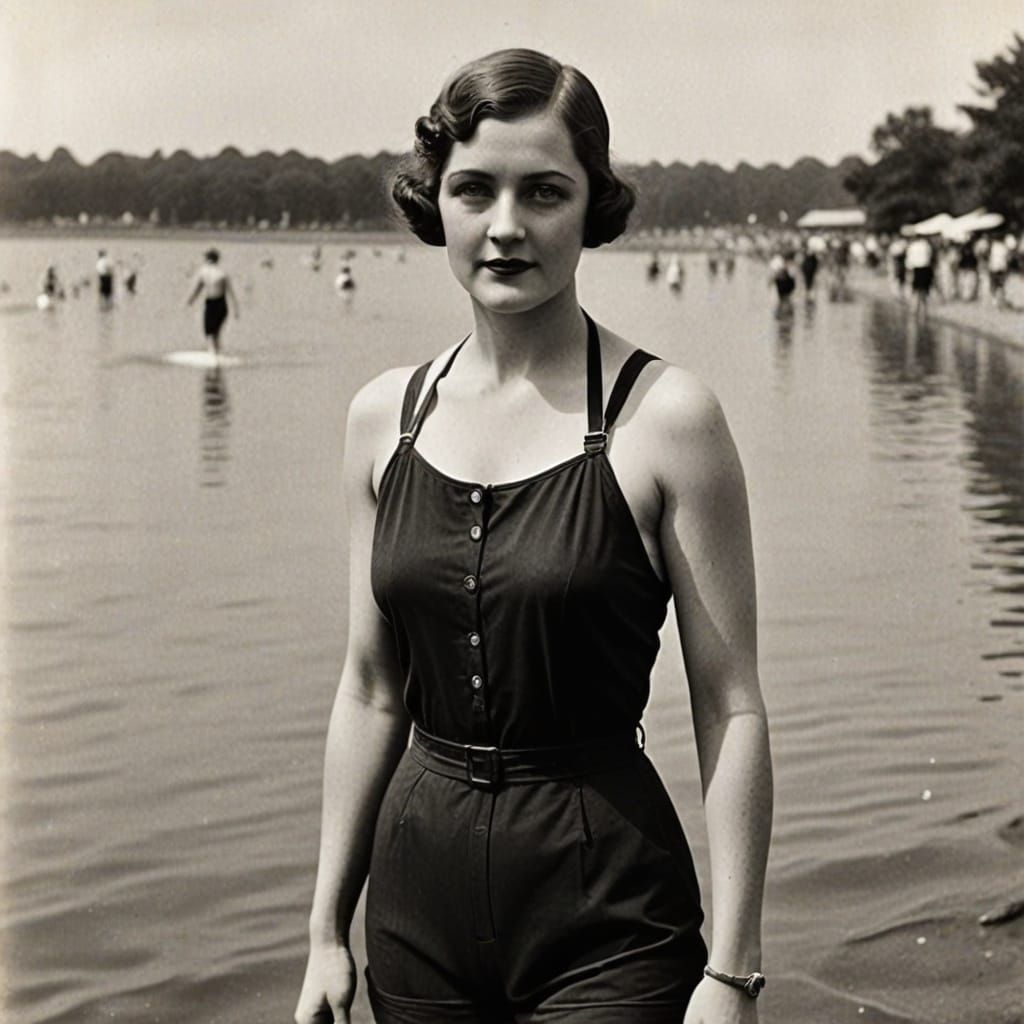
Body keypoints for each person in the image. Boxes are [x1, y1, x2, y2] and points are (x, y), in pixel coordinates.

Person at [294, 48, 772, 1024]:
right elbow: (372, 687)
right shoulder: (384, 417)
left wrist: (731, 968)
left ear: (591, 205)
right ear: (437, 201)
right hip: (415, 913)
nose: (506, 226)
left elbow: (731, 707)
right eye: (474, 189)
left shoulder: (668, 418)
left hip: (608, 917)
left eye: (544, 192)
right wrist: (322, 934)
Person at [185, 248, 239, 357]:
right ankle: (216, 352)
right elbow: (231, 293)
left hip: (212, 303)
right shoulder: (223, 273)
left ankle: (212, 353)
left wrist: (190, 301)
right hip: (222, 304)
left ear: (207, 259)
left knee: (209, 331)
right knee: (216, 332)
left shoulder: (203, 271)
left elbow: (197, 288)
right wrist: (236, 309)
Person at [905, 234, 935, 318]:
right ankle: (924, 309)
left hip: (917, 269)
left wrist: (909, 271)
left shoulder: (912, 246)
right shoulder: (926, 245)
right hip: (925, 268)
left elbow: (909, 260)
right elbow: (929, 257)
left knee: (916, 289)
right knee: (924, 289)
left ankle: (915, 308)